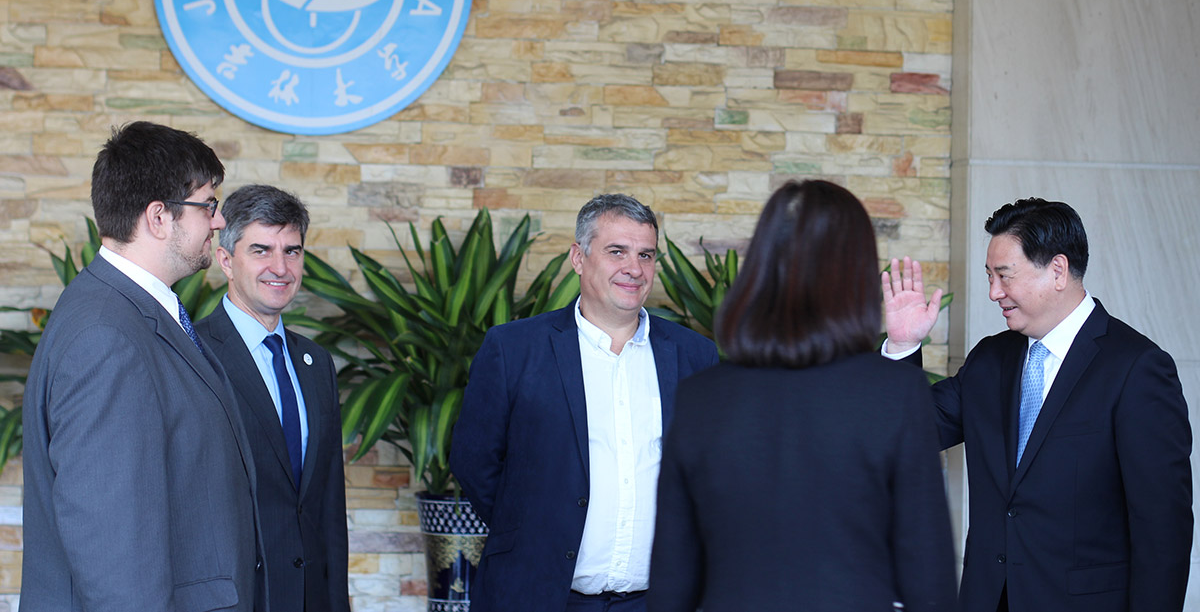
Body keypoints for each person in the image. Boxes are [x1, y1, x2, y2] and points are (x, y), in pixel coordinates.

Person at [647, 180, 957, 612]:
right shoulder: (894, 393)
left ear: (758, 269)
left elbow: (671, 580)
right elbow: (929, 580)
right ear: (855, 273)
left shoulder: (700, 396)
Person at [882, 197, 1192, 612]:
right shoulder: (990, 359)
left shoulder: (1136, 368)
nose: (994, 292)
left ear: (1058, 271)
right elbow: (905, 432)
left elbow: (1163, 530)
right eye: (989, 276)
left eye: (1005, 276)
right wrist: (902, 347)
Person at [21, 121, 265, 612]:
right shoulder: (105, 337)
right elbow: (114, 546)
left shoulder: (132, 312)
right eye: (209, 205)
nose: (219, 222)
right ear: (159, 217)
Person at [451, 194, 720, 612]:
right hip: (538, 596)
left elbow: (709, 472)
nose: (634, 269)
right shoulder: (513, 348)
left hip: (658, 601)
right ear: (578, 257)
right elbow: (474, 461)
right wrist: (533, 529)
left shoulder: (695, 356)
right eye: (617, 252)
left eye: (646, 255)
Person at [197, 185, 350, 612]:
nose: (280, 268)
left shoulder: (316, 363)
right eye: (261, 250)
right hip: (235, 598)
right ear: (226, 260)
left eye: (292, 251)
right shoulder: (194, 355)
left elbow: (328, 507)